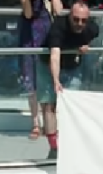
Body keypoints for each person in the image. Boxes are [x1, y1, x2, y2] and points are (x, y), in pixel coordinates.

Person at [38, 0, 99, 159]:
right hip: (48, 65)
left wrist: (86, 44)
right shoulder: (58, 27)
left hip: (72, 67)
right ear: (70, 16)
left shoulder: (91, 28)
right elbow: (55, 56)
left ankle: (69, 143)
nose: (79, 23)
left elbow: (93, 37)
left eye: (83, 20)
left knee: (72, 106)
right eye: (76, 19)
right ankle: (54, 148)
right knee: (49, 105)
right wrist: (56, 80)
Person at [19, 0, 63, 140]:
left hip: (46, 34)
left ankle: (49, 121)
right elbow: (28, 14)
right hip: (29, 36)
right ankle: (35, 123)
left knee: (48, 77)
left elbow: (59, 11)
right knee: (30, 79)